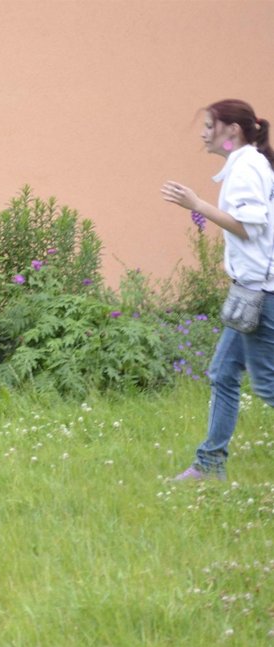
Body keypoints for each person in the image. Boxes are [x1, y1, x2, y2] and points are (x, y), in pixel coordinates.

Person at [162, 99, 274, 481]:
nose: (203, 133)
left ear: (233, 131)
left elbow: (249, 226)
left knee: (268, 386)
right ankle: (209, 465)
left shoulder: (246, 169)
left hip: (261, 294)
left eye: (210, 125)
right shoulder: (245, 163)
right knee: (224, 373)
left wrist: (196, 204)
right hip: (251, 291)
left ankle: (208, 464)